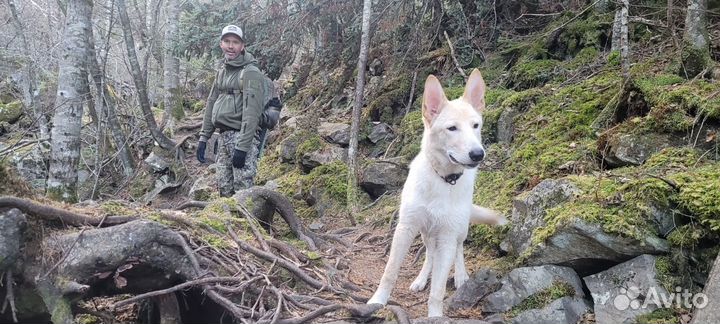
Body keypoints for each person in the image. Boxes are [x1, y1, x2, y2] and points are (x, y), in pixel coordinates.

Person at [196, 24, 269, 197]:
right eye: (227, 41)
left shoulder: (250, 72)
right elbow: (211, 103)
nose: (230, 46)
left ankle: (248, 224)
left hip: (242, 139)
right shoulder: (221, 72)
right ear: (221, 44)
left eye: (235, 42)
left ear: (242, 46)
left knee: (243, 193)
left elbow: (252, 114)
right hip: (223, 139)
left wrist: (242, 148)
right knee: (224, 191)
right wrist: (203, 137)